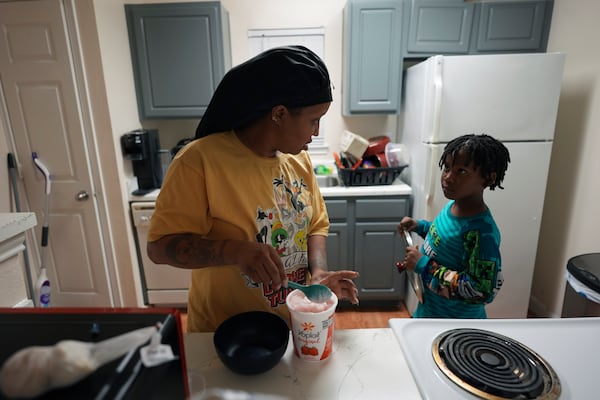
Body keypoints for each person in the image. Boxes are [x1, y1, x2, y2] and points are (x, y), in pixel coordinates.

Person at [147, 46, 359, 332]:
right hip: (223, 333)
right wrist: (234, 251)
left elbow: (316, 225)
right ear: (279, 114)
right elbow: (159, 248)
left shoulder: (299, 159)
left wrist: (319, 273)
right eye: (313, 120)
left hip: (292, 324)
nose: (317, 132)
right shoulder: (199, 160)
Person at [397, 134, 510, 318]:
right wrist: (419, 226)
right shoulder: (453, 205)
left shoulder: (481, 233)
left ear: (488, 178)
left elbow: (480, 290)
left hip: (454, 326)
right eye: (447, 168)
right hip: (428, 313)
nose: (448, 178)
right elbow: (444, 238)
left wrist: (424, 265)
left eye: (461, 171)